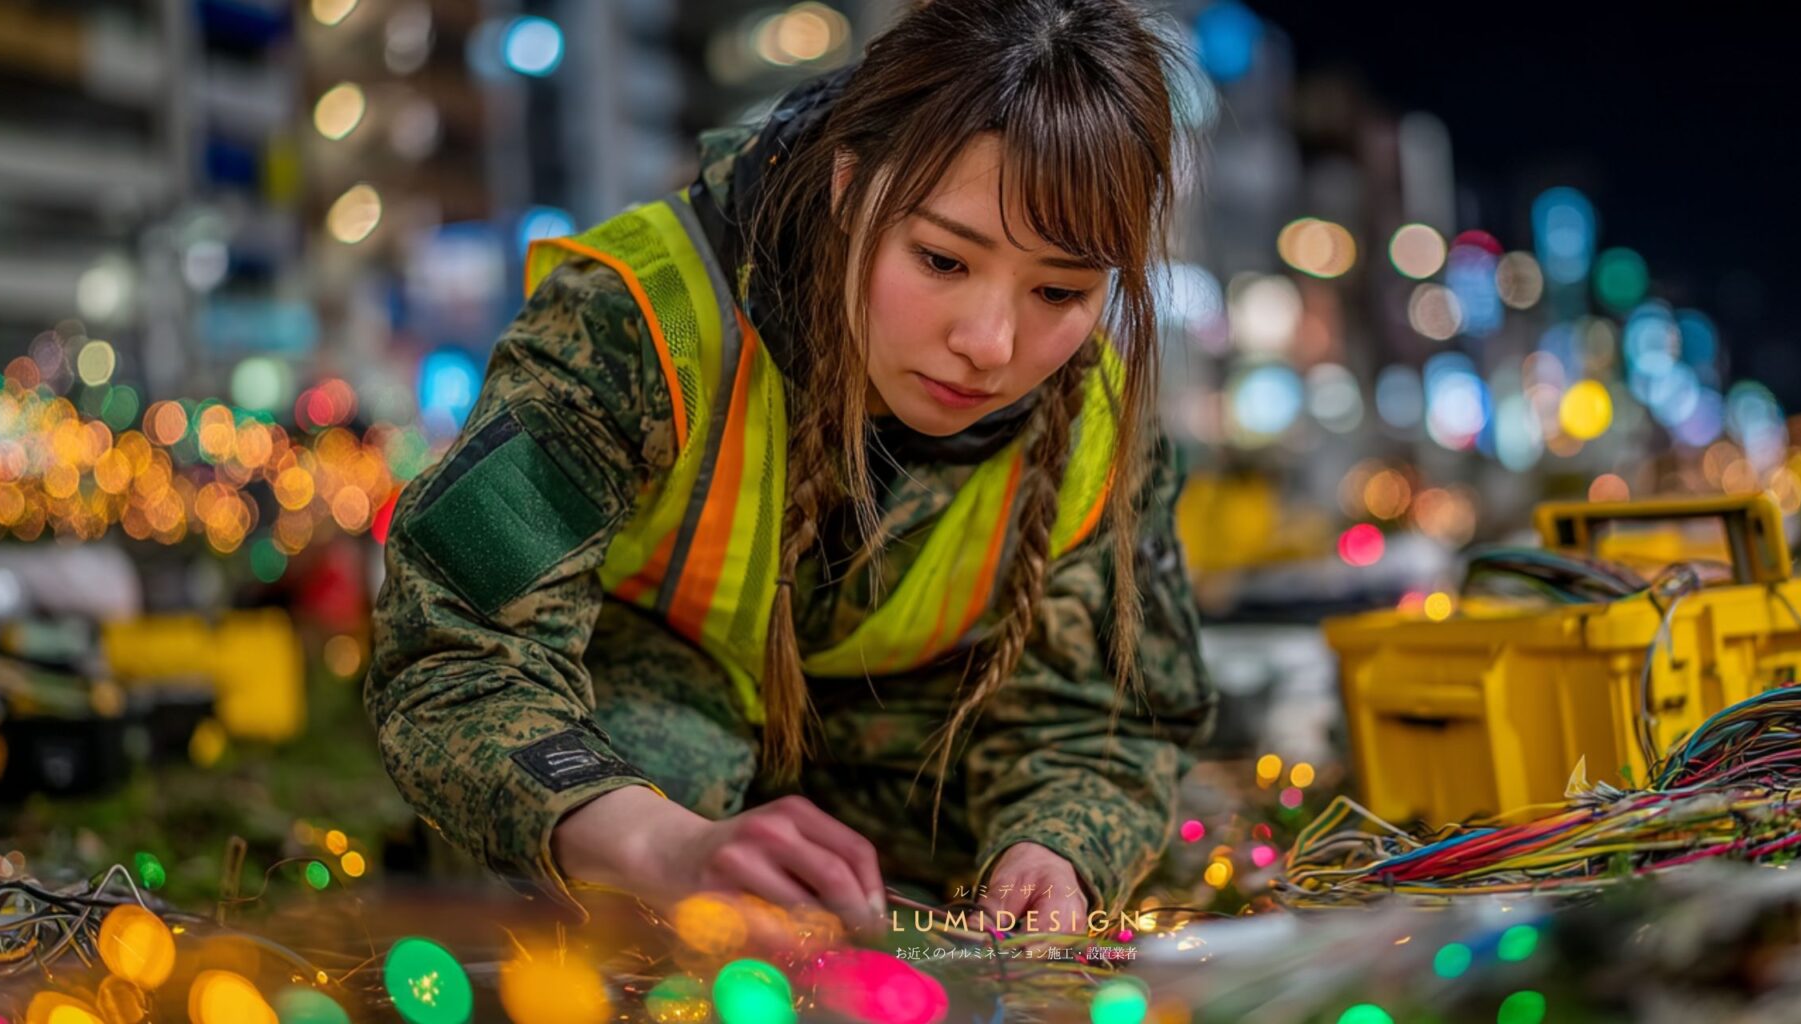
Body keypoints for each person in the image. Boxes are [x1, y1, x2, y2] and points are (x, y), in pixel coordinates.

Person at [365, 0, 1216, 940]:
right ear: (850, 188)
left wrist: (1055, 852)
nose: (990, 343)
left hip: (898, 834)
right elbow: (454, 651)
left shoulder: (1098, 414)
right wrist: (660, 845)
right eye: (940, 259)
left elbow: (1105, 722)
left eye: (1060, 291)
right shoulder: (643, 321)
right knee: (653, 807)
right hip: (634, 781)